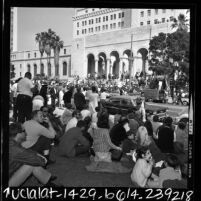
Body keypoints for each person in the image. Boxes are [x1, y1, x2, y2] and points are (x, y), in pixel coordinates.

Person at [9, 123, 57, 187]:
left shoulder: (12, 142)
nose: (26, 133)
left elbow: (26, 151)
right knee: (31, 163)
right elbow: (41, 161)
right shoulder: (15, 148)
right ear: (18, 134)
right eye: (24, 131)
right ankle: (48, 181)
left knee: (31, 161)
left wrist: (36, 155)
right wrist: (44, 158)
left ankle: (47, 180)